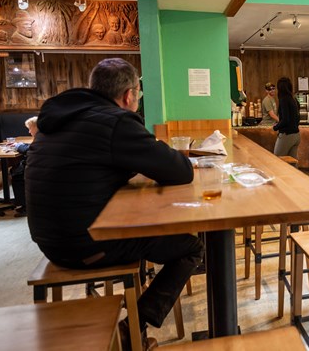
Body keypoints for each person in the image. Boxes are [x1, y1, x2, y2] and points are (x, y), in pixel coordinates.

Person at [26, 58, 203, 350]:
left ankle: (133, 320)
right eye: (138, 95)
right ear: (128, 95)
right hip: (87, 245)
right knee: (191, 247)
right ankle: (133, 329)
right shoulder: (115, 121)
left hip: (48, 242)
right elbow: (180, 172)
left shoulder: (60, 117)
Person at [10, 116, 38, 217]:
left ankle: (25, 207)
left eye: (30, 128)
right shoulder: (43, 136)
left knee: (17, 174)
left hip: (36, 168)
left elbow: (31, 150)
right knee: (16, 170)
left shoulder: (41, 137)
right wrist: (21, 145)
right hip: (39, 166)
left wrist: (19, 146)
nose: (29, 132)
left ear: (36, 127)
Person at [272, 76, 300, 159]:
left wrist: (275, 127)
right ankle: (295, 173)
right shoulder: (293, 98)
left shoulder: (284, 99)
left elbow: (285, 120)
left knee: (278, 159)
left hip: (287, 135)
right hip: (296, 135)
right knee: (292, 162)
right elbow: (298, 117)